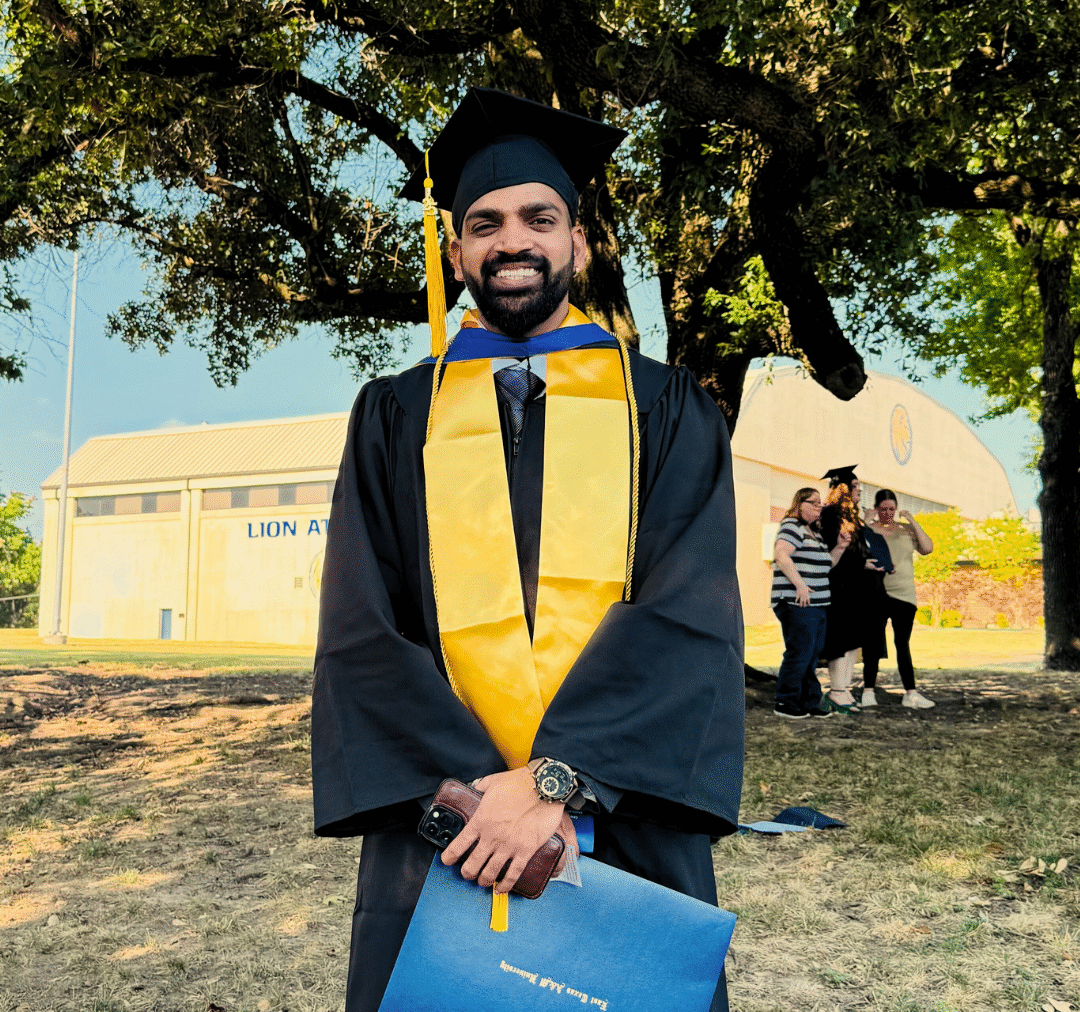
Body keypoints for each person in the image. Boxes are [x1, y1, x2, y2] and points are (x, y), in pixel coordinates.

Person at [310, 88, 745, 1012]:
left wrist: (557, 780)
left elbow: (689, 607)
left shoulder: (665, 408)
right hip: (449, 817)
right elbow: (361, 620)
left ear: (578, 242)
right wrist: (481, 797)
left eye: (539, 219)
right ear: (456, 253)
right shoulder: (396, 414)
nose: (514, 241)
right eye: (486, 223)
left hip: (621, 806)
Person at [770, 487, 851, 718]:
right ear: (800, 504)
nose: (819, 507)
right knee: (800, 652)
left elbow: (826, 564)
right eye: (813, 502)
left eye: (820, 503)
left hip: (817, 604)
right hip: (797, 602)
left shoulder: (814, 533)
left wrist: (840, 548)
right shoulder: (792, 526)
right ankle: (785, 702)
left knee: (812, 654)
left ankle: (809, 702)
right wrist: (800, 585)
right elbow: (781, 555)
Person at [817, 466, 890, 714]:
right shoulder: (830, 515)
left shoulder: (851, 518)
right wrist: (861, 563)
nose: (859, 490)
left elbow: (856, 552)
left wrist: (867, 562)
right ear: (843, 489)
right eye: (855, 486)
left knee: (852, 642)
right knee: (841, 640)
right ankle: (836, 690)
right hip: (838, 588)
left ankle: (844, 688)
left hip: (855, 589)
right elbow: (832, 552)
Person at [862, 489, 936, 708]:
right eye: (883, 509)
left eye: (892, 509)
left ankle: (911, 693)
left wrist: (912, 520)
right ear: (876, 509)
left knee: (902, 643)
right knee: (873, 643)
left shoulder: (906, 530)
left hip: (904, 595)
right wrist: (865, 521)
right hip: (876, 593)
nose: (888, 513)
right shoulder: (868, 529)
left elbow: (927, 548)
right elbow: (852, 549)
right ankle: (868, 692)